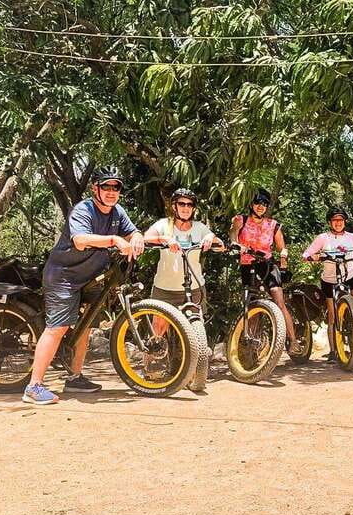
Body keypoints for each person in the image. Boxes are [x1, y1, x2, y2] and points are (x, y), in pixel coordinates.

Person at [22, 166, 144, 405]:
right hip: (63, 276)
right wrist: (113, 239)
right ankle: (33, 387)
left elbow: (132, 232)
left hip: (91, 276)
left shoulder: (117, 212)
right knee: (58, 327)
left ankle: (74, 377)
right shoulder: (83, 210)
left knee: (86, 324)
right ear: (95, 188)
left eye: (116, 187)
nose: (111, 191)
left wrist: (137, 236)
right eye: (106, 186)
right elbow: (80, 241)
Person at [143, 188, 225, 339]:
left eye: (189, 204)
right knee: (157, 335)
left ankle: (195, 360)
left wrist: (210, 237)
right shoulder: (163, 225)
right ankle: (149, 362)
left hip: (194, 288)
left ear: (193, 208)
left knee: (195, 334)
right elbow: (146, 238)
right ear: (174, 206)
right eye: (181, 204)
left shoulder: (199, 227)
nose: (186, 208)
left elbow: (220, 245)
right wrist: (165, 239)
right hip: (165, 287)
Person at [229, 188, 302, 353]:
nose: (260, 206)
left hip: (267, 264)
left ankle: (293, 341)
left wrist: (284, 253)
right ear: (251, 204)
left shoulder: (273, 225)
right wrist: (235, 243)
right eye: (257, 203)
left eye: (264, 204)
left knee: (278, 299)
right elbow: (233, 232)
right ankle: (252, 344)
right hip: (247, 265)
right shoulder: (241, 220)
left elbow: (281, 246)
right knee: (251, 303)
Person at [302, 206, 353, 362]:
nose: (338, 223)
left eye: (341, 220)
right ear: (329, 222)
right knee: (332, 315)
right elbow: (306, 254)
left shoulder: (351, 237)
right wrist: (313, 257)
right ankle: (333, 351)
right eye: (335, 220)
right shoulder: (323, 238)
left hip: (350, 276)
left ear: (345, 222)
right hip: (329, 280)